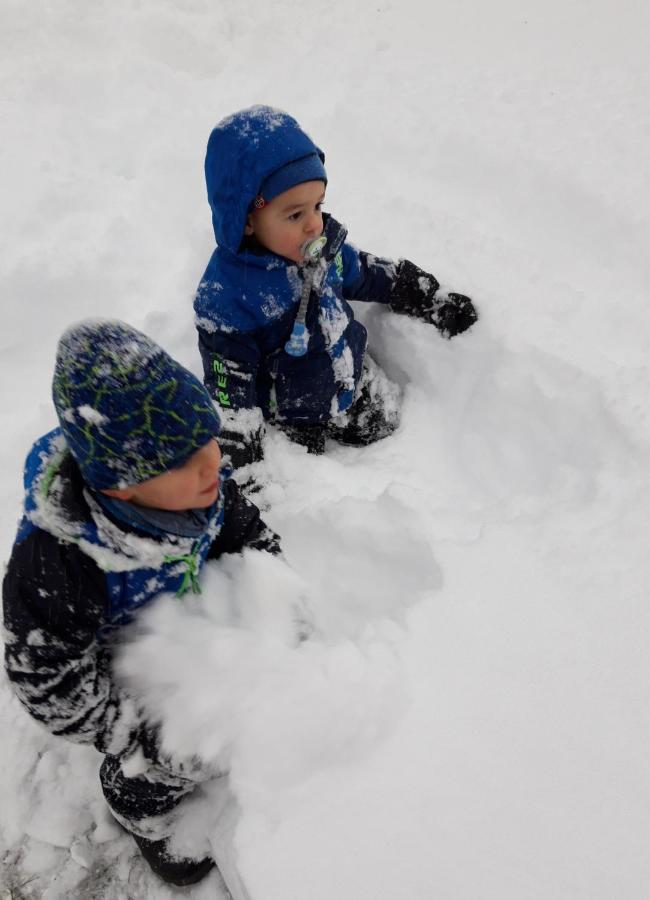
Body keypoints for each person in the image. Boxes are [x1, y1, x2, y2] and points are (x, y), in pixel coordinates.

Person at [2, 319, 281, 887]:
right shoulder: (58, 565)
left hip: (184, 622)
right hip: (120, 667)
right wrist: (131, 731)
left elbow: (244, 532)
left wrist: (273, 584)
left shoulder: (202, 486)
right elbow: (47, 682)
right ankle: (141, 806)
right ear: (117, 485)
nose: (213, 462)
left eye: (207, 434)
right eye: (181, 459)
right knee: (173, 754)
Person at [194, 104, 478, 470]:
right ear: (247, 220)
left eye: (318, 205)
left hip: (351, 378)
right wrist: (243, 459)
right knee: (312, 478)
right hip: (293, 418)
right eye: (296, 214)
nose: (314, 225)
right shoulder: (229, 299)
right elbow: (229, 394)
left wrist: (425, 297)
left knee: (391, 429)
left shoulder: (324, 250)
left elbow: (368, 273)